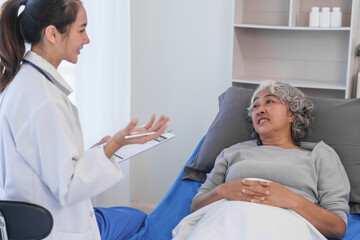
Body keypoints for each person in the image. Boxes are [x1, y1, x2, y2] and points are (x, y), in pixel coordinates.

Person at [0, 0, 169, 239]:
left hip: (35, 218)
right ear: (52, 34)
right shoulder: (44, 100)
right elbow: (68, 187)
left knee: (136, 216)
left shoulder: (24, 81)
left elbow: (46, 165)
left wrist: (97, 152)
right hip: (52, 227)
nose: (87, 39)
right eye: (81, 30)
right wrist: (115, 144)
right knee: (144, 222)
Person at [185, 81, 350, 239]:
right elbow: (196, 206)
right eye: (255, 106)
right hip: (225, 219)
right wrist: (223, 191)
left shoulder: (319, 155)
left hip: (285, 225)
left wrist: (291, 199)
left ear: (292, 114)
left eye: (269, 102)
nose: (260, 110)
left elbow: (337, 227)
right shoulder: (233, 152)